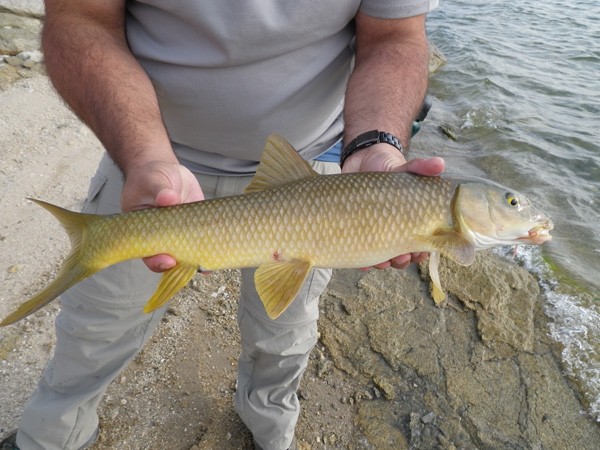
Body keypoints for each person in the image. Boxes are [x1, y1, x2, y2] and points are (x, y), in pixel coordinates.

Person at [1, 1, 444, 449]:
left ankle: (272, 432)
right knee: (97, 326)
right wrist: (145, 156)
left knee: (285, 334)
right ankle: (50, 438)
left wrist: (374, 142)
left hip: (317, 179)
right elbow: (81, 19)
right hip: (150, 161)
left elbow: (395, 36)